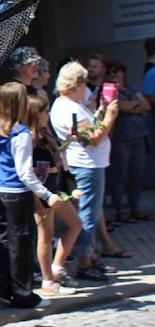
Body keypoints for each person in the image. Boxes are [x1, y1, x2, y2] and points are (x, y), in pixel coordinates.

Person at [0, 82, 61, 309]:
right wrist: (47, 195)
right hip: (16, 194)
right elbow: (24, 172)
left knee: (5, 241)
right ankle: (22, 294)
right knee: (22, 244)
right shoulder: (20, 132)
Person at [50, 61, 119, 282]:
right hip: (87, 164)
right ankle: (84, 262)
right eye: (84, 81)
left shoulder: (71, 103)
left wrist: (98, 115)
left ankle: (89, 254)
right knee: (88, 214)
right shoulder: (68, 107)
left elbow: (89, 132)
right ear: (78, 82)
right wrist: (110, 117)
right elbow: (93, 139)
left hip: (91, 163)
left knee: (91, 212)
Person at [25, 95, 81, 295]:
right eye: (44, 111)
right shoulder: (29, 138)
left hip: (53, 191)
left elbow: (54, 160)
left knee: (75, 223)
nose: (47, 115)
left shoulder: (43, 134)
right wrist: (37, 202)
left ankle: (56, 267)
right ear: (35, 113)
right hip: (42, 194)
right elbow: (27, 172)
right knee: (46, 235)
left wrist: (67, 142)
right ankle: (48, 281)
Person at [104, 60, 151, 224]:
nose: (112, 74)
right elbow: (119, 107)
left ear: (123, 73)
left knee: (137, 174)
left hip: (138, 137)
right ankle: (120, 210)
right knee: (120, 175)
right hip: (121, 138)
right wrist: (133, 106)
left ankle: (135, 207)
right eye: (109, 72)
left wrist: (132, 107)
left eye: (115, 71)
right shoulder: (109, 91)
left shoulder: (131, 88)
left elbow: (146, 105)